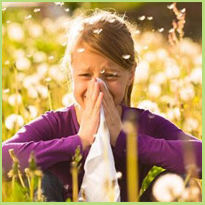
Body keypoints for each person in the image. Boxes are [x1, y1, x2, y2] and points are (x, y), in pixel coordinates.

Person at [2, 9, 202, 202]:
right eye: (85, 75)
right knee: (40, 177)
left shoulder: (142, 122)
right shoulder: (55, 124)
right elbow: (3, 160)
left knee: (185, 181)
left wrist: (127, 142)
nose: (97, 86)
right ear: (71, 72)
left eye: (111, 76)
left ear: (130, 75)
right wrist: (78, 142)